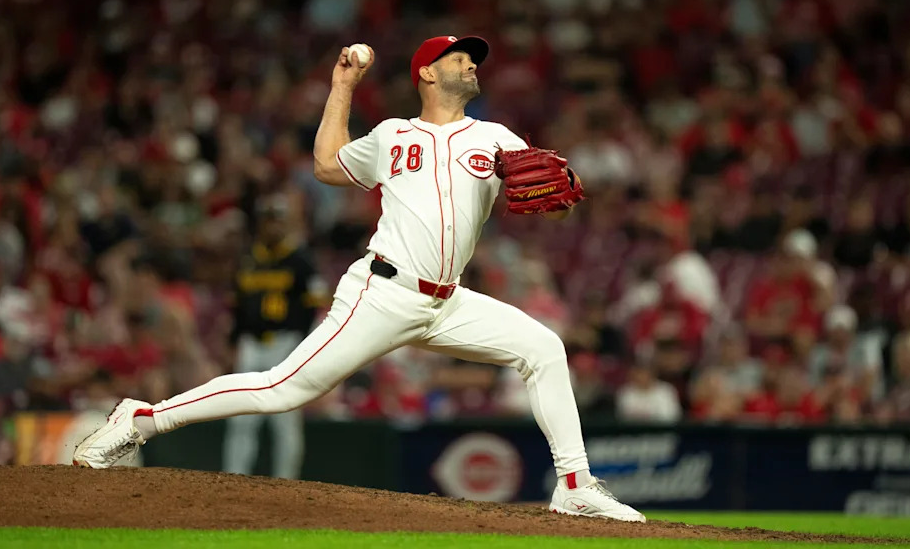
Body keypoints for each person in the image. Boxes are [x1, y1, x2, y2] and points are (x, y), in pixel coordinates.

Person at [73, 36, 645, 522]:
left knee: (544, 347)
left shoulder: (497, 139)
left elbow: (553, 205)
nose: (472, 63)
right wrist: (343, 86)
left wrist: (557, 194)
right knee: (283, 390)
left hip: (448, 302)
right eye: (458, 57)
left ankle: (574, 488)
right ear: (427, 72)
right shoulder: (393, 135)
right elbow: (327, 165)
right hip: (383, 292)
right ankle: (142, 419)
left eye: (474, 58)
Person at [221, 193, 327, 479]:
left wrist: (302, 347)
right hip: (251, 344)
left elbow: (314, 307)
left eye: (277, 220)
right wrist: (233, 341)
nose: (273, 227)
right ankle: (233, 477)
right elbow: (237, 307)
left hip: (286, 343)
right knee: (241, 415)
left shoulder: (301, 260)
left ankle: (286, 481)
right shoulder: (249, 259)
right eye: (268, 220)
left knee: (285, 416)